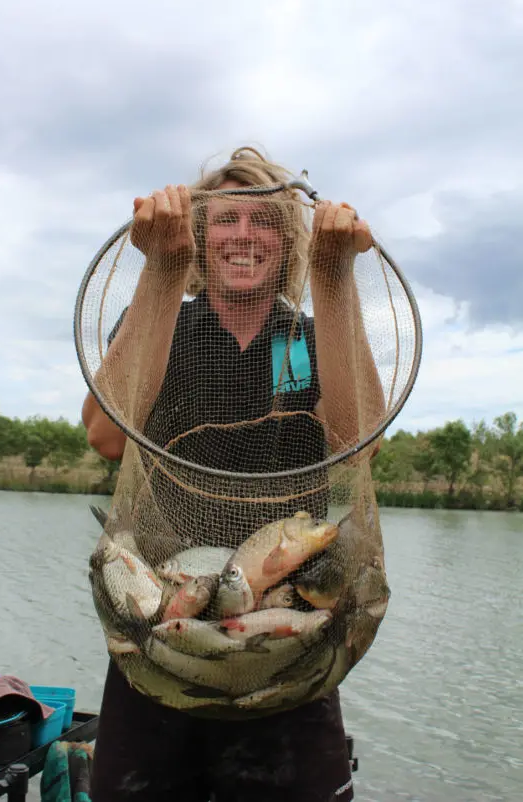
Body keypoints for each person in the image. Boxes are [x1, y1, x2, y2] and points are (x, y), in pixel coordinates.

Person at [82, 147, 384, 802]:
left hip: (286, 624)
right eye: (224, 220)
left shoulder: (295, 343)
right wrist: (160, 272)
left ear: (289, 241)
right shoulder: (165, 322)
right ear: (196, 235)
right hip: (163, 623)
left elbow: (355, 444)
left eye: (264, 222)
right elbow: (107, 436)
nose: (243, 236)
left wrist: (334, 276)